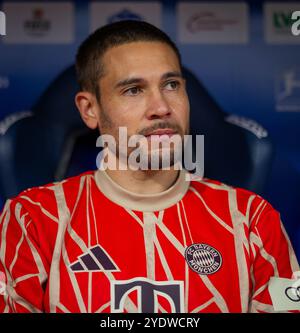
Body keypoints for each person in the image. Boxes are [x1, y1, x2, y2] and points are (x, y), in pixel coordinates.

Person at [0, 20, 299, 313]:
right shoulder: (31, 219)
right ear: (90, 109)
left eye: (171, 85)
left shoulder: (254, 220)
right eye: (133, 90)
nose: (161, 107)